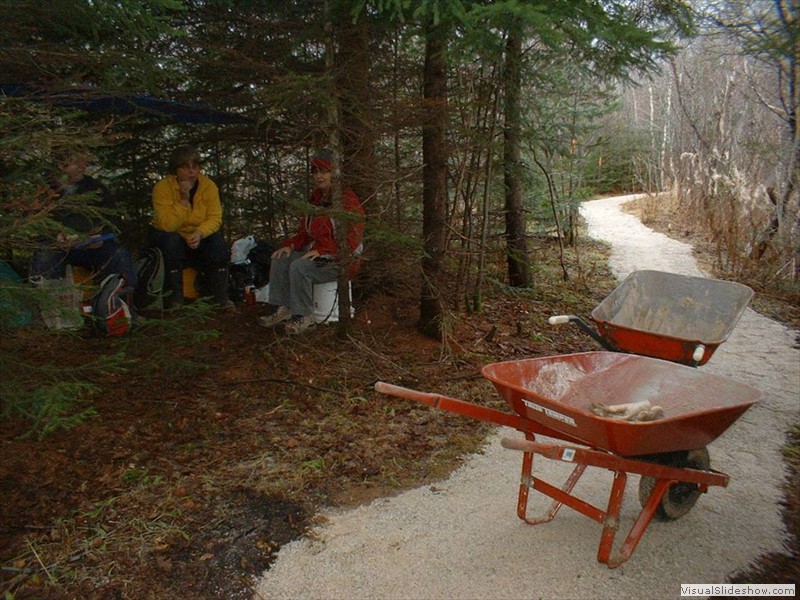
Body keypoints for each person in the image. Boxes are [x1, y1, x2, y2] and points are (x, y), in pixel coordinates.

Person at [259, 149, 365, 334]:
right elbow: (305, 233)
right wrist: (290, 245)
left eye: (323, 171)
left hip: (342, 260)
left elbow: (352, 240)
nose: (318, 176)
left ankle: (304, 316)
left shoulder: (347, 201)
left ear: (334, 173)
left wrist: (325, 250)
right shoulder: (315, 199)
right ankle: (283, 308)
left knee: (299, 267)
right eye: (315, 171)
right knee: (280, 259)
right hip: (319, 254)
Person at [30, 149, 138, 293]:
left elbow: (113, 219)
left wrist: (100, 237)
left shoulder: (96, 189)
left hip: (90, 247)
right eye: (77, 163)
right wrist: (56, 237)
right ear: (61, 166)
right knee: (44, 254)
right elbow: (31, 224)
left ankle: (121, 303)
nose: (83, 167)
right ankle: (48, 305)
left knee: (117, 253)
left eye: (84, 162)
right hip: (56, 247)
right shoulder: (43, 190)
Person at [149, 145, 233, 310]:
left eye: (195, 167)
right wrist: (183, 200)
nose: (191, 172)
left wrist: (200, 233)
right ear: (176, 170)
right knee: (171, 241)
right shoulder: (162, 188)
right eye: (186, 168)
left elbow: (215, 218)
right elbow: (167, 224)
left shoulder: (208, 186)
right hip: (171, 235)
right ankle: (175, 298)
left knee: (217, 242)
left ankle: (221, 297)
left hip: (197, 234)